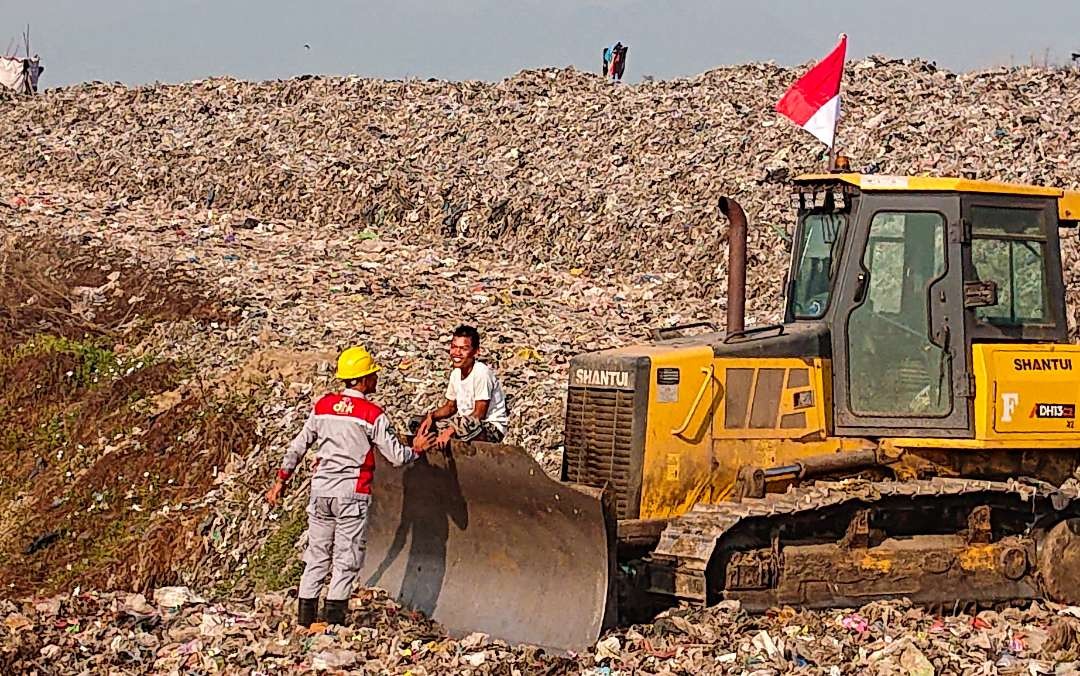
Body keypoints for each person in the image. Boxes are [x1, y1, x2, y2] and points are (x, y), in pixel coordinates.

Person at [265, 345, 432, 629]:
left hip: (320, 493)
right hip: (351, 494)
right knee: (346, 559)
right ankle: (333, 623)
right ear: (365, 379)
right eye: (373, 374)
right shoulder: (371, 414)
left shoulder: (323, 406)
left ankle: (304, 622)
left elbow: (298, 446)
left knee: (316, 557)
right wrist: (416, 449)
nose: (376, 379)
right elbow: (397, 457)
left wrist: (281, 480)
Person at [418, 325, 509, 445]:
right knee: (419, 423)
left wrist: (452, 430)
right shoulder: (456, 373)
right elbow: (450, 407)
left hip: (488, 428)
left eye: (463, 349)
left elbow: (478, 415)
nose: (457, 353)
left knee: (461, 430)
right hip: (464, 423)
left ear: (476, 351)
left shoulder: (481, 373)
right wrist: (431, 416)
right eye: (454, 347)